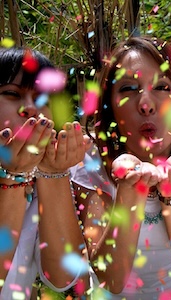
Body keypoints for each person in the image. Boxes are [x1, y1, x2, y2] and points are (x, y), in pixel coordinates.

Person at [70, 36, 171, 299]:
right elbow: (109, 279)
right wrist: (129, 191)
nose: (145, 104)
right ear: (110, 107)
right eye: (127, 89)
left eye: (161, 87)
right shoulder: (90, 163)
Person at [0, 46, 89, 299]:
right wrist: (14, 178)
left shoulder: (41, 177)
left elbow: (62, 277)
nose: (30, 108)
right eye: (11, 93)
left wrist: (53, 173)